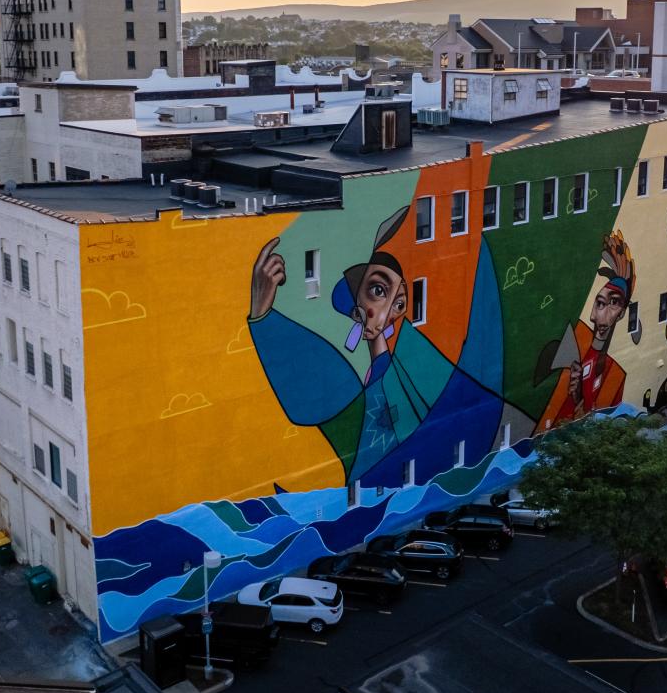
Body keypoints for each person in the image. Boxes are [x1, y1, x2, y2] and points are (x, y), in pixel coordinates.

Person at [247, 207, 505, 488]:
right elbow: (315, 396)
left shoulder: (400, 371)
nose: (385, 313)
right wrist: (262, 313)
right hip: (376, 476)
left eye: (399, 303)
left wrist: (263, 315)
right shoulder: (349, 388)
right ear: (356, 303)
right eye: (379, 290)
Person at [537, 230, 636, 427]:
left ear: (622, 312)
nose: (604, 313)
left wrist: (579, 400)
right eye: (600, 303)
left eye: (614, 303)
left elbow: (598, 425)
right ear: (591, 312)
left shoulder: (615, 375)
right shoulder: (573, 340)